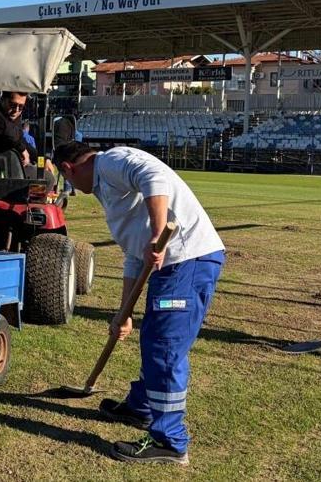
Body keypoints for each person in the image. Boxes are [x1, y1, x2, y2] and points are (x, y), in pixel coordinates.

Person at [54, 142, 225, 466]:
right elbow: (134, 256)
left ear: (68, 169)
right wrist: (124, 312)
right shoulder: (107, 188)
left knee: (165, 345)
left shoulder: (112, 161)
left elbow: (155, 177)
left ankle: (170, 442)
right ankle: (141, 408)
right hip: (171, 266)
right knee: (155, 339)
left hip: (188, 262)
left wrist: (157, 234)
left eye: (67, 182)